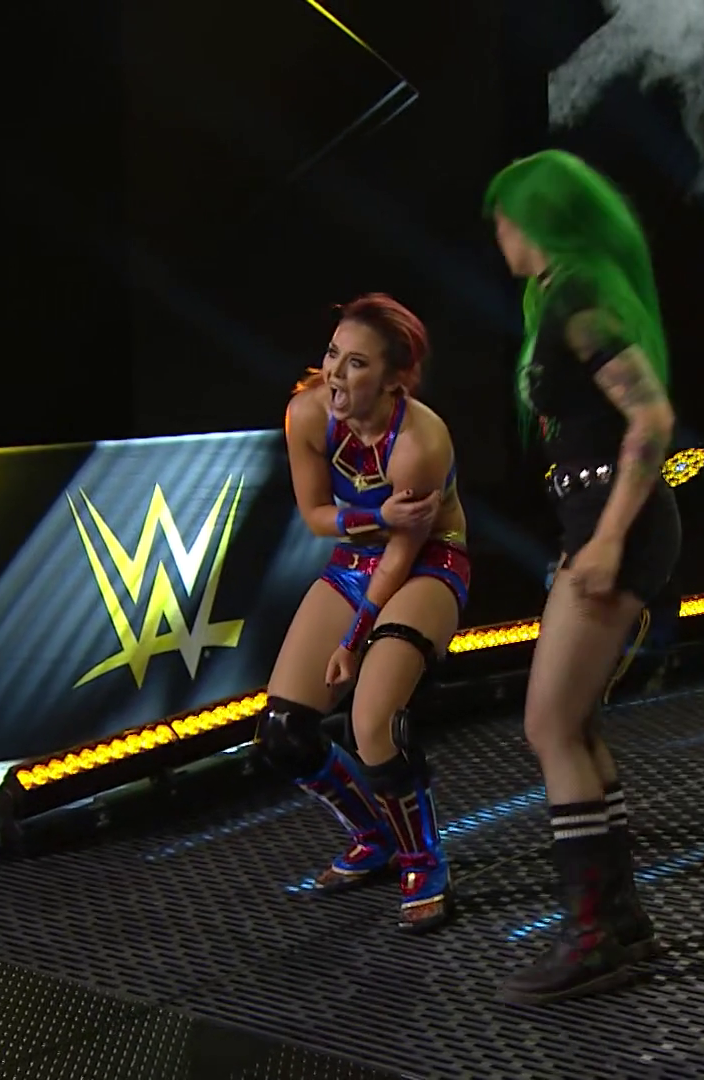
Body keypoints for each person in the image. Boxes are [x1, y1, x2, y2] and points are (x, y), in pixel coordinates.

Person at [483, 150, 682, 1003]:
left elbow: (651, 419)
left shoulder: (577, 298)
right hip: (596, 520)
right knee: (576, 725)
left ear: (539, 217)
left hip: (616, 525)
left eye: (506, 215)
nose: (498, 232)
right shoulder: (562, 294)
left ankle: (593, 937)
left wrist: (603, 542)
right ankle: (620, 923)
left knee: (550, 725)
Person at [254, 293, 470, 934]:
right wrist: (375, 515)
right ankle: (375, 835)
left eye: (357, 364)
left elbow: (403, 551)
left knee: (373, 722)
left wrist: (353, 639)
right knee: (283, 732)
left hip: (427, 563)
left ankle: (423, 860)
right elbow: (316, 515)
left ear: (395, 378)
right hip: (355, 559)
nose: (336, 375)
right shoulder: (307, 414)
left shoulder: (420, 442)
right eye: (332, 356)